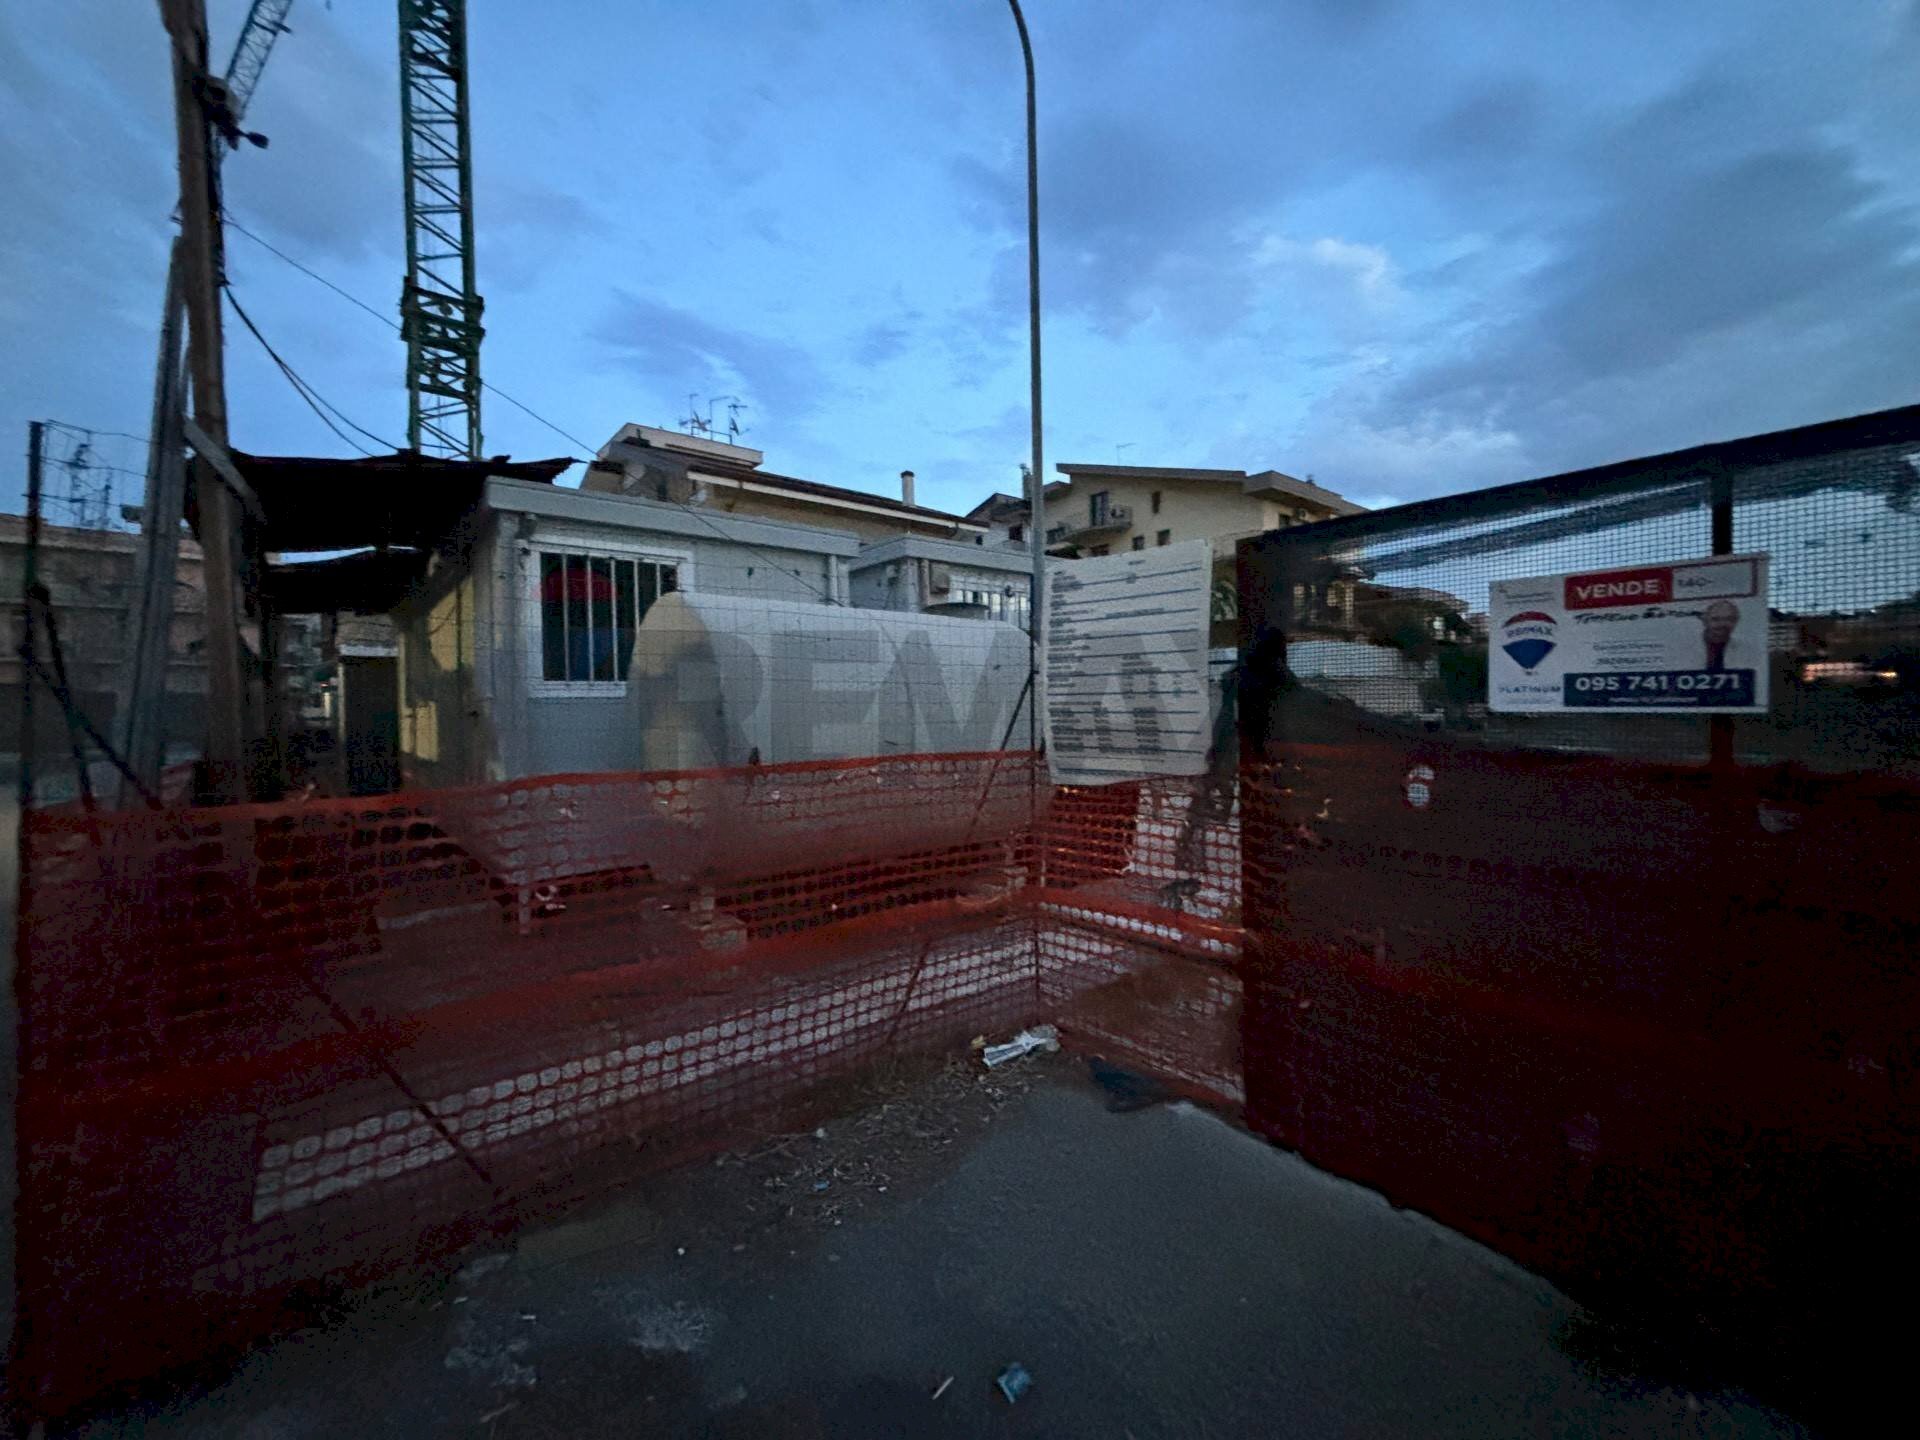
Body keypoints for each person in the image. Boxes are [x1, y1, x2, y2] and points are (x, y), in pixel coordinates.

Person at [1700, 600, 1740, 672]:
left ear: (1736, 621)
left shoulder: (1748, 650)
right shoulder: (1683, 648)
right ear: (1705, 621)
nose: (1722, 624)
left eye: (1729, 619)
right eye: (1715, 619)